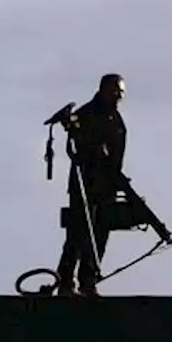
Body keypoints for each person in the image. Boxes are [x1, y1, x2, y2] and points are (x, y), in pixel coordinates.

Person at [57, 74, 127, 297]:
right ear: (104, 89)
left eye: (121, 92)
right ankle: (66, 282)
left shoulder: (115, 118)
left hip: (107, 184)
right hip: (85, 183)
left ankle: (88, 281)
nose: (119, 95)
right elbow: (80, 149)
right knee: (77, 233)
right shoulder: (87, 114)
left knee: (100, 234)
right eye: (115, 90)